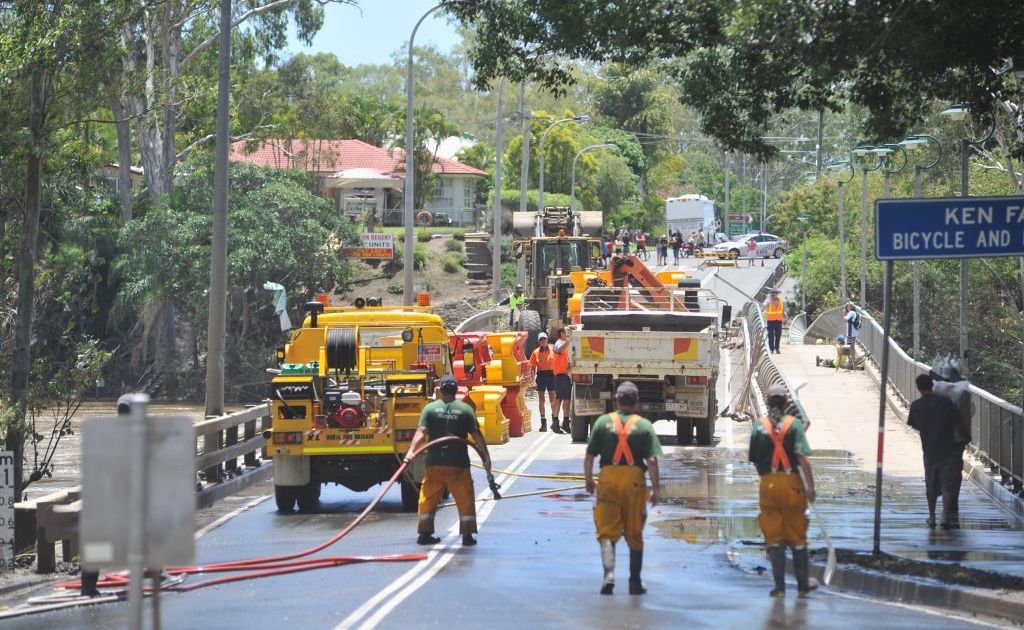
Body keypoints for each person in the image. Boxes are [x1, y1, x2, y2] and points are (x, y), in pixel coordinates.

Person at [584, 382, 661, 595]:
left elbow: (589, 456)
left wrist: (589, 480)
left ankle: (608, 576)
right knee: (634, 533)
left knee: (607, 532)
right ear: (636, 402)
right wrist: (656, 488)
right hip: (634, 481)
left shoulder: (602, 422)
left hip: (608, 479)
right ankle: (635, 582)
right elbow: (652, 461)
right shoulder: (644, 426)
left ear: (616, 400)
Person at [405, 375, 493, 546]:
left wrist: (410, 453)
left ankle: (424, 533)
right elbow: (477, 436)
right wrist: (486, 459)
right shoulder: (466, 410)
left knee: (428, 498)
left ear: (440, 390)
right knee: (465, 498)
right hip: (458, 464)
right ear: (456, 390)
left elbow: (421, 432)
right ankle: (467, 535)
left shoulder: (430, 409)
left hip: (435, 463)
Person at [749, 384, 816, 598]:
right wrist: (811, 487)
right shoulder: (794, 425)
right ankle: (803, 584)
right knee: (797, 536)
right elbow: (803, 460)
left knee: (774, 537)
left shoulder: (759, 427)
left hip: (768, 484)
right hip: (792, 484)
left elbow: (753, 458)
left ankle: (779, 588)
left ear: (768, 404)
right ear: (786, 403)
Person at [908, 374, 964, 529]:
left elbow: (913, 423)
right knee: (947, 483)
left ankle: (931, 517)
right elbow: (958, 421)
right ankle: (945, 517)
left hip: (929, 450)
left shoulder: (916, 406)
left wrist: (926, 429)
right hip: (948, 449)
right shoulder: (946, 403)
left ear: (918, 388)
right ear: (932, 386)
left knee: (930, 483)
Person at [929, 357, 973, 524]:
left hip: (937, 439)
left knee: (934, 473)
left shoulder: (936, 390)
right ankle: (950, 507)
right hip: (957, 440)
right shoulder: (964, 392)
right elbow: (971, 412)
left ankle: (933, 514)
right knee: (954, 473)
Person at [529, 332, 556, 432]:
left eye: (544, 339)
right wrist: (533, 381)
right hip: (541, 375)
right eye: (541, 339)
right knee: (541, 400)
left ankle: (555, 421)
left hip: (551, 375)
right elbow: (532, 368)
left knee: (552, 399)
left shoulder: (553, 349)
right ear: (538, 341)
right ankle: (543, 422)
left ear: (547, 339)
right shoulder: (535, 352)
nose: (543, 341)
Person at [551, 327, 572, 435]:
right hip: (560, 375)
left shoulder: (565, 344)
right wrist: (569, 340)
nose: (567, 333)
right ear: (561, 334)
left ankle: (565, 422)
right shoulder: (558, 343)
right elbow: (559, 350)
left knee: (567, 400)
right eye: (565, 332)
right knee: (559, 399)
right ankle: (555, 421)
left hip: (566, 375)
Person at [764, 288, 784, 354]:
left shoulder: (780, 300)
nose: (775, 294)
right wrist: (768, 301)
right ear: (771, 293)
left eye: (776, 293)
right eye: (774, 293)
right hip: (771, 321)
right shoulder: (768, 300)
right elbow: (763, 306)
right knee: (771, 335)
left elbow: (782, 310)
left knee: (778, 335)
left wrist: (785, 316)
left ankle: (777, 348)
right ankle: (771, 349)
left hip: (778, 321)